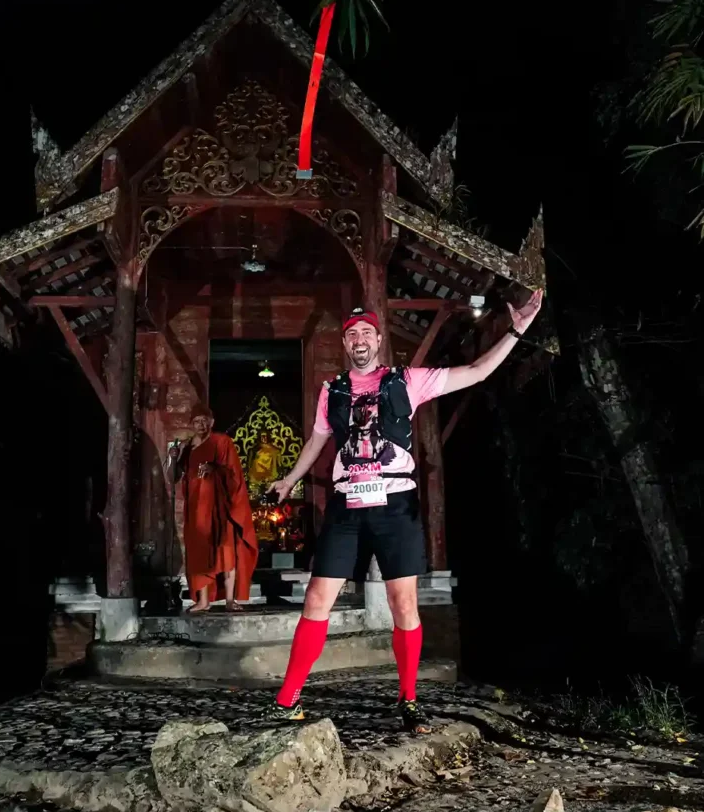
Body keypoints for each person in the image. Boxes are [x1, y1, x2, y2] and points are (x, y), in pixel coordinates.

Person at [265, 293, 543, 732]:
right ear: (345, 344)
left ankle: (409, 698)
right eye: (351, 334)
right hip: (348, 506)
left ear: (378, 341)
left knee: (403, 603)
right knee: (317, 599)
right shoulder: (331, 391)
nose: (359, 339)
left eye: (366, 334)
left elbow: (476, 371)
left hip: (395, 506)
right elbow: (317, 442)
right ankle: (287, 699)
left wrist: (516, 330)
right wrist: (288, 479)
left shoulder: (407, 380)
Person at [170, 403, 259, 614]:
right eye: (196, 421)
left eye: (204, 420)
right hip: (196, 510)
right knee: (199, 553)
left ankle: (230, 600)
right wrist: (173, 458)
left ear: (211, 422)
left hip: (220, 507)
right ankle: (202, 601)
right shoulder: (187, 447)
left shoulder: (222, 442)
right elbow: (173, 478)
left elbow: (235, 474)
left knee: (226, 552)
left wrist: (215, 468)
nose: (200, 424)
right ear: (191, 424)